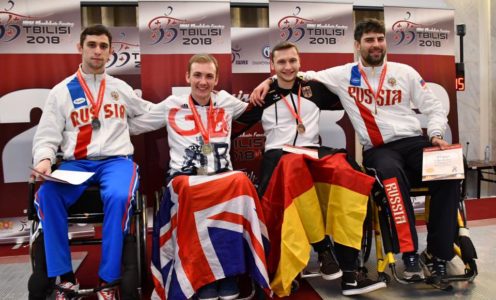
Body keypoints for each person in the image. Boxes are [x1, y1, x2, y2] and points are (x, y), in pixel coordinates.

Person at [251, 18, 460, 286]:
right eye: (369, 40)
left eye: (380, 39)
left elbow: (433, 108)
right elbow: (299, 74)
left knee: (452, 170)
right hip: (380, 150)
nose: (376, 45)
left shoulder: (405, 72)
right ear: (357, 45)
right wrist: (269, 81)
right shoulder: (343, 74)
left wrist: (436, 135)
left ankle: (438, 254)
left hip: (414, 142)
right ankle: (408, 253)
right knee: (391, 177)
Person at [235, 41, 386, 296]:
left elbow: (351, 94)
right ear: (272, 65)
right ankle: (323, 248)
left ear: (299, 62)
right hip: (278, 157)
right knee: (293, 164)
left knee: (349, 173)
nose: (287, 67)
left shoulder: (315, 89)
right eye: (281, 62)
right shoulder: (263, 96)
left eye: (292, 61)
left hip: (313, 154)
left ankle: (350, 273)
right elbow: (233, 128)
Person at [129, 54, 270, 300]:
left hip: (222, 176)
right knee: (189, 190)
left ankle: (229, 275)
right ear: (187, 77)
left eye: (208, 76)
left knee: (242, 182)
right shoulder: (172, 103)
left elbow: (261, 104)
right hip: (184, 178)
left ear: (216, 80)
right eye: (197, 75)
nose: (202, 82)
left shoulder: (226, 102)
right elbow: (135, 126)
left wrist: (271, 81)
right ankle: (201, 278)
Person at [29, 24, 155, 300]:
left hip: (116, 162)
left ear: (110, 52)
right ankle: (65, 278)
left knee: (120, 195)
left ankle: (108, 281)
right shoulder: (61, 92)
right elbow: (47, 136)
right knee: (47, 194)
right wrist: (44, 160)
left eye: (103, 46)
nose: (97, 51)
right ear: (80, 48)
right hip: (77, 164)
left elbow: (150, 114)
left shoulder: (120, 88)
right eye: (92, 45)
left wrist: (188, 105)